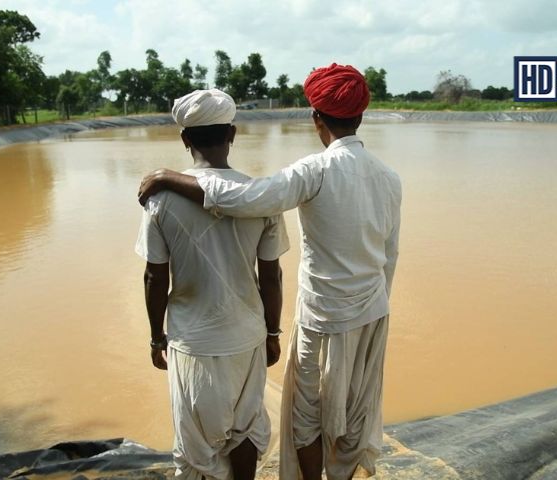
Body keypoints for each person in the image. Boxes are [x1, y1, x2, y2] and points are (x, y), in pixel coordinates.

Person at [137, 64, 402, 480]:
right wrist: (272, 331)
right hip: (371, 312)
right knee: (354, 412)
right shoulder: (390, 178)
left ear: (316, 118)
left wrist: (165, 176)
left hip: (321, 316)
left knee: (306, 415)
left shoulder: (313, 171)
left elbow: (247, 199)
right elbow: (389, 255)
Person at [135, 88, 290, 480]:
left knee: (195, 442)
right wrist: (273, 331)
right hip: (247, 333)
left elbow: (155, 275)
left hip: (192, 340)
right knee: (246, 426)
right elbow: (271, 275)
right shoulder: (259, 198)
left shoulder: (161, 199)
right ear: (232, 134)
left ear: (185, 139)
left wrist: (157, 338)